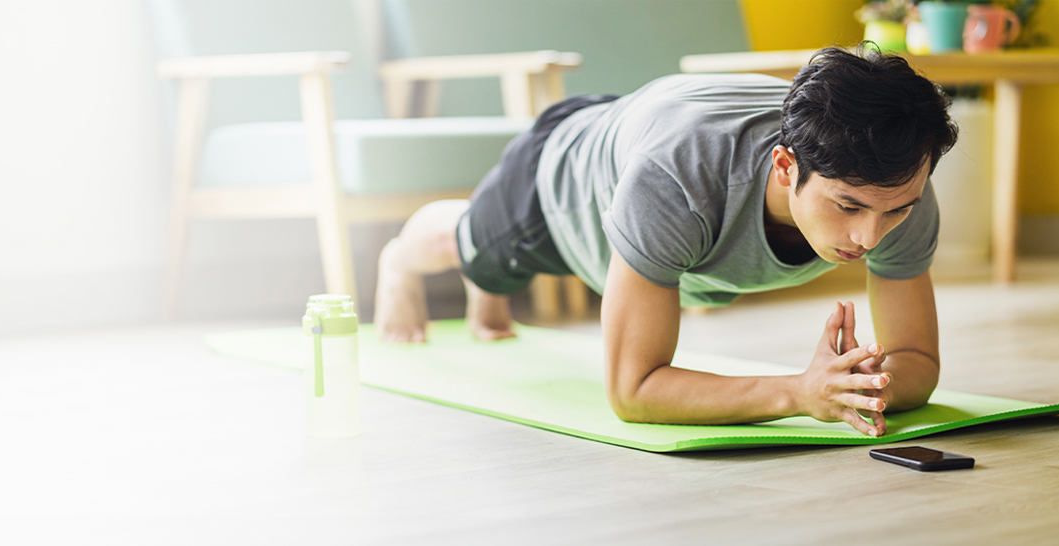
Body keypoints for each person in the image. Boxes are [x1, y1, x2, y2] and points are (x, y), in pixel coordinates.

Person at [372, 46, 958, 437]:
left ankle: (488, 291)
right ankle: (402, 259)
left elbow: (920, 364)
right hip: (561, 178)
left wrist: (860, 384)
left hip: (648, 136)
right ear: (785, 167)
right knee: (473, 245)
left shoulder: (897, 184)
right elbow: (634, 391)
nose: (870, 235)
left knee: (495, 278)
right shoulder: (677, 179)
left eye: (895, 211)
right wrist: (799, 393)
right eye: (847, 206)